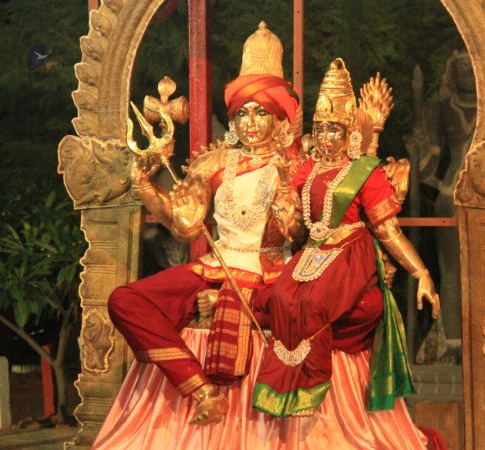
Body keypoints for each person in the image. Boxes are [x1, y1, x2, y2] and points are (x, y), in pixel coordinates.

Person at [105, 21, 301, 425]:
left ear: (280, 119)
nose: (249, 122)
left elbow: (296, 232)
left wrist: (285, 186)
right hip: (215, 266)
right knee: (125, 301)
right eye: (242, 113)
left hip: (269, 274)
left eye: (261, 113)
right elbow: (185, 227)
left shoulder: (297, 166)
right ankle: (201, 389)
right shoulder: (214, 163)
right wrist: (144, 187)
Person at [251, 58, 442, 448]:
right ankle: (283, 397)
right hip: (313, 251)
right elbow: (299, 230)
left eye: (334, 130)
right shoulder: (306, 169)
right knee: (283, 296)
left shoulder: (365, 171)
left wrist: (421, 272)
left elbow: (388, 230)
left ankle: (311, 388)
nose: (325, 137)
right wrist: (283, 207)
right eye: (320, 129)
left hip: (351, 253)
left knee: (315, 304)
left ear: (349, 133)